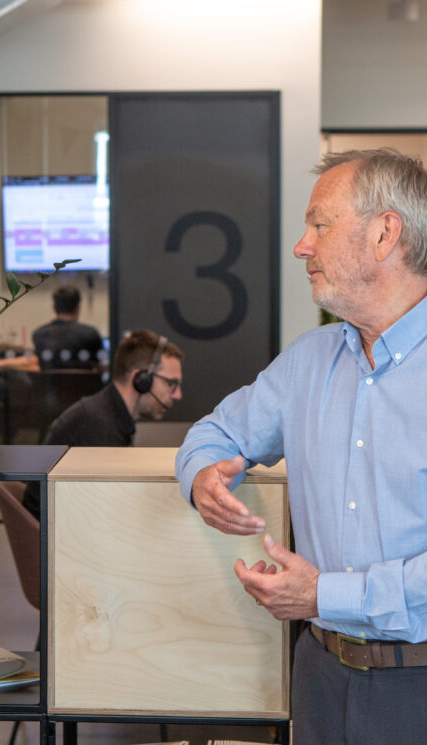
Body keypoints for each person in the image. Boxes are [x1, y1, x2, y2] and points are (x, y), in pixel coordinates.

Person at [175, 148, 427, 745]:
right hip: (318, 676)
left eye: (321, 223)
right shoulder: (308, 362)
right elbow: (213, 434)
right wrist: (204, 477)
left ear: (385, 233)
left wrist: (323, 595)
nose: (301, 246)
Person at [23, 329, 183, 517]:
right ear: (141, 380)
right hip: (52, 537)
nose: (178, 394)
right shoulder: (100, 424)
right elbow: (111, 511)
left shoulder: (108, 413)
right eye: (171, 384)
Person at [32, 284, 104, 369]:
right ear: (78, 307)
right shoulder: (91, 334)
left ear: (54, 308)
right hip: (82, 382)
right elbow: (100, 365)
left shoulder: (39, 334)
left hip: (50, 382)